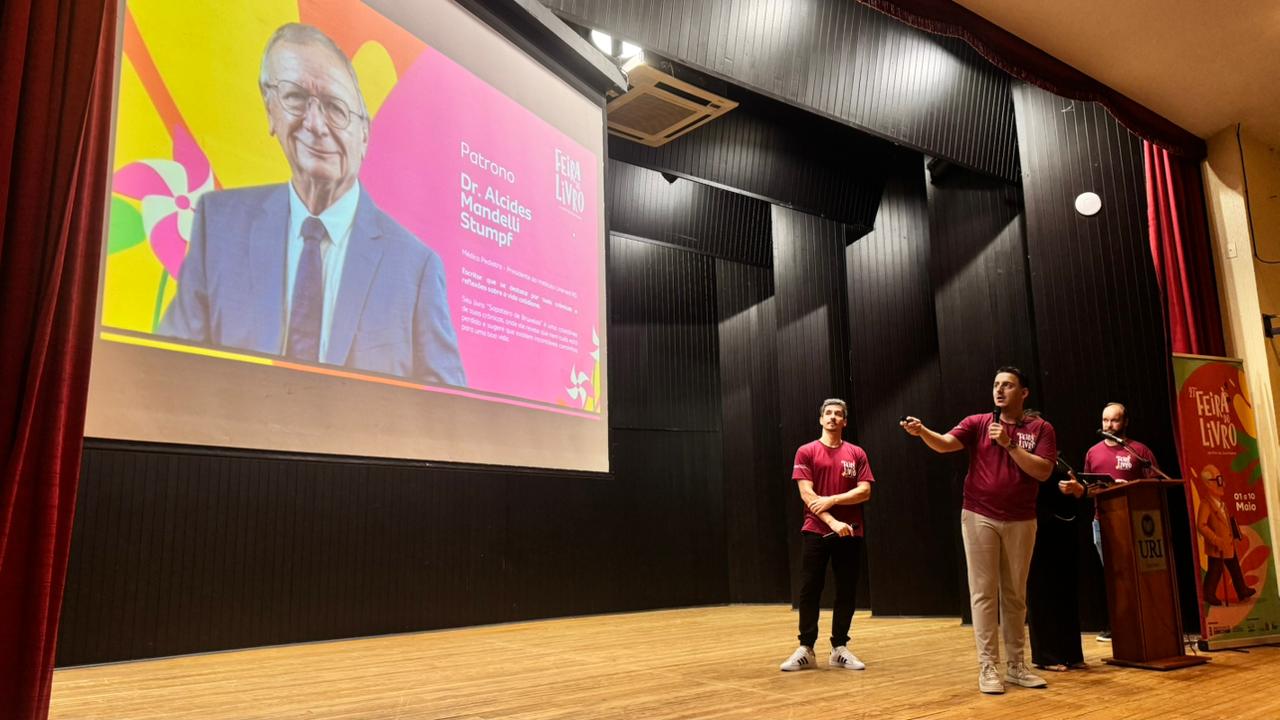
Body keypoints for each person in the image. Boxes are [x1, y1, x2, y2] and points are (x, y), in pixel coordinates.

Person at [159, 23, 466, 386]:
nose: (315, 124)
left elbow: (446, 405)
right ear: (271, 110)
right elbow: (167, 370)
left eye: (336, 108)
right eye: (295, 98)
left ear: (364, 135)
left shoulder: (416, 268)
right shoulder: (218, 226)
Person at [900, 367, 1055, 694]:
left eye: (1008, 385)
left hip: (1022, 518)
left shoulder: (1040, 429)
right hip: (979, 514)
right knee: (984, 593)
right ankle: (988, 667)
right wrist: (923, 431)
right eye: (996, 384)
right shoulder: (978, 423)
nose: (999, 390)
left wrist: (1010, 445)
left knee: (1015, 595)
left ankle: (1016, 666)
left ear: (1023, 392)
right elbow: (945, 444)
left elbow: (1043, 472)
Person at [779, 399, 874, 673]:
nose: (833, 417)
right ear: (821, 419)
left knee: (846, 589)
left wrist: (832, 499)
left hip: (850, 531)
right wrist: (832, 521)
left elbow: (865, 491)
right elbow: (807, 494)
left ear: (845, 421)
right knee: (810, 589)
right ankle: (806, 649)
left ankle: (839, 648)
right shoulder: (806, 451)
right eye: (828, 413)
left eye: (838, 414)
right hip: (816, 529)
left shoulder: (856, 453)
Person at [1060, 402, 1156, 641]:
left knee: (1140, 575)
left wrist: (1128, 487)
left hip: (1137, 523)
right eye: (1105, 420)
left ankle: (1147, 621)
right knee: (1115, 577)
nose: (1109, 425)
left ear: (1125, 422)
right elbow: (1088, 491)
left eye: (1114, 420)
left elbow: (1155, 485)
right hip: (1102, 522)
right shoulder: (1093, 453)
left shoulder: (1139, 451)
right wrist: (1085, 488)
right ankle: (1120, 625)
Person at [1026, 462, 1088, 672]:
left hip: (1066, 530)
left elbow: (1082, 489)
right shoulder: (1028, 457)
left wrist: (1078, 489)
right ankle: (1047, 656)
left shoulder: (1061, 461)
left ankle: (1072, 653)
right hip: (1040, 529)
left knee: (1067, 592)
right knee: (1042, 592)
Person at [1195, 465, 1256, 606]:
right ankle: (1208, 593)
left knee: (1235, 568)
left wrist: (1234, 532)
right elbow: (1201, 525)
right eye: (1218, 480)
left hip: (1227, 544)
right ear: (1209, 483)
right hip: (1217, 546)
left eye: (1222, 480)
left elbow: (1226, 522)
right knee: (1215, 570)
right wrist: (1215, 539)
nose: (1222, 484)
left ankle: (1242, 590)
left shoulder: (1222, 504)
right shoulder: (1206, 504)